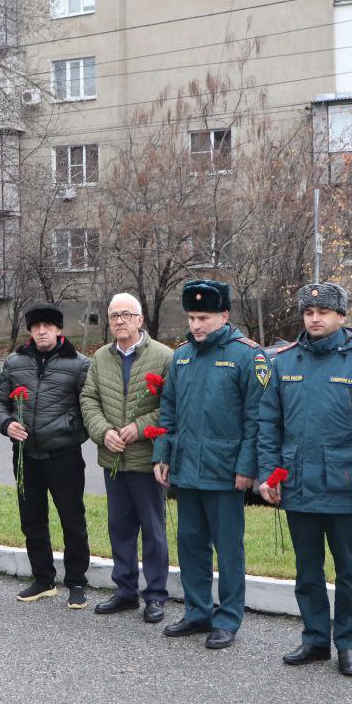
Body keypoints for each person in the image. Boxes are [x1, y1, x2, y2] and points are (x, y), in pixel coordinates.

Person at [256, 282, 352, 676]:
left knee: (349, 571)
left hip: (346, 487)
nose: (315, 318)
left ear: (341, 317)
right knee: (307, 569)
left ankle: (347, 643)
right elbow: (269, 423)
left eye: (323, 312)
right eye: (308, 312)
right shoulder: (284, 361)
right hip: (297, 484)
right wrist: (269, 473)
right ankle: (315, 638)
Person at [153, 279, 269, 650]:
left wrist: (247, 467)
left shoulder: (248, 356)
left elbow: (257, 418)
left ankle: (228, 617)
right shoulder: (183, 355)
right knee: (190, 544)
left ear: (224, 315)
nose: (196, 325)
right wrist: (162, 453)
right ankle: (197, 610)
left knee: (228, 548)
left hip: (225, 471)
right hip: (187, 469)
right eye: (191, 318)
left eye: (203, 317)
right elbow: (167, 409)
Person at [80, 293, 173, 624]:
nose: (119, 321)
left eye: (126, 315)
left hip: (147, 459)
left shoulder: (164, 357)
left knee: (152, 529)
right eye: (113, 316)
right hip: (113, 457)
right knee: (120, 528)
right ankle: (125, 591)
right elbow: (88, 398)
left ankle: (156, 595)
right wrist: (103, 431)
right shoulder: (101, 357)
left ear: (140, 320)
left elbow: (172, 407)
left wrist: (141, 426)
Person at [0, 302, 92, 608]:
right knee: (32, 519)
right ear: (30, 330)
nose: (42, 331)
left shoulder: (79, 364)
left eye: (48, 325)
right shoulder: (14, 362)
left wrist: (63, 428)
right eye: (37, 326)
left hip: (63, 455)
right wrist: (7, 424)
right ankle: (42, 579)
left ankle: (76, 581)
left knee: (72, 519)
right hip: (24, 455)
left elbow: (88, 410)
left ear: (59, 329)